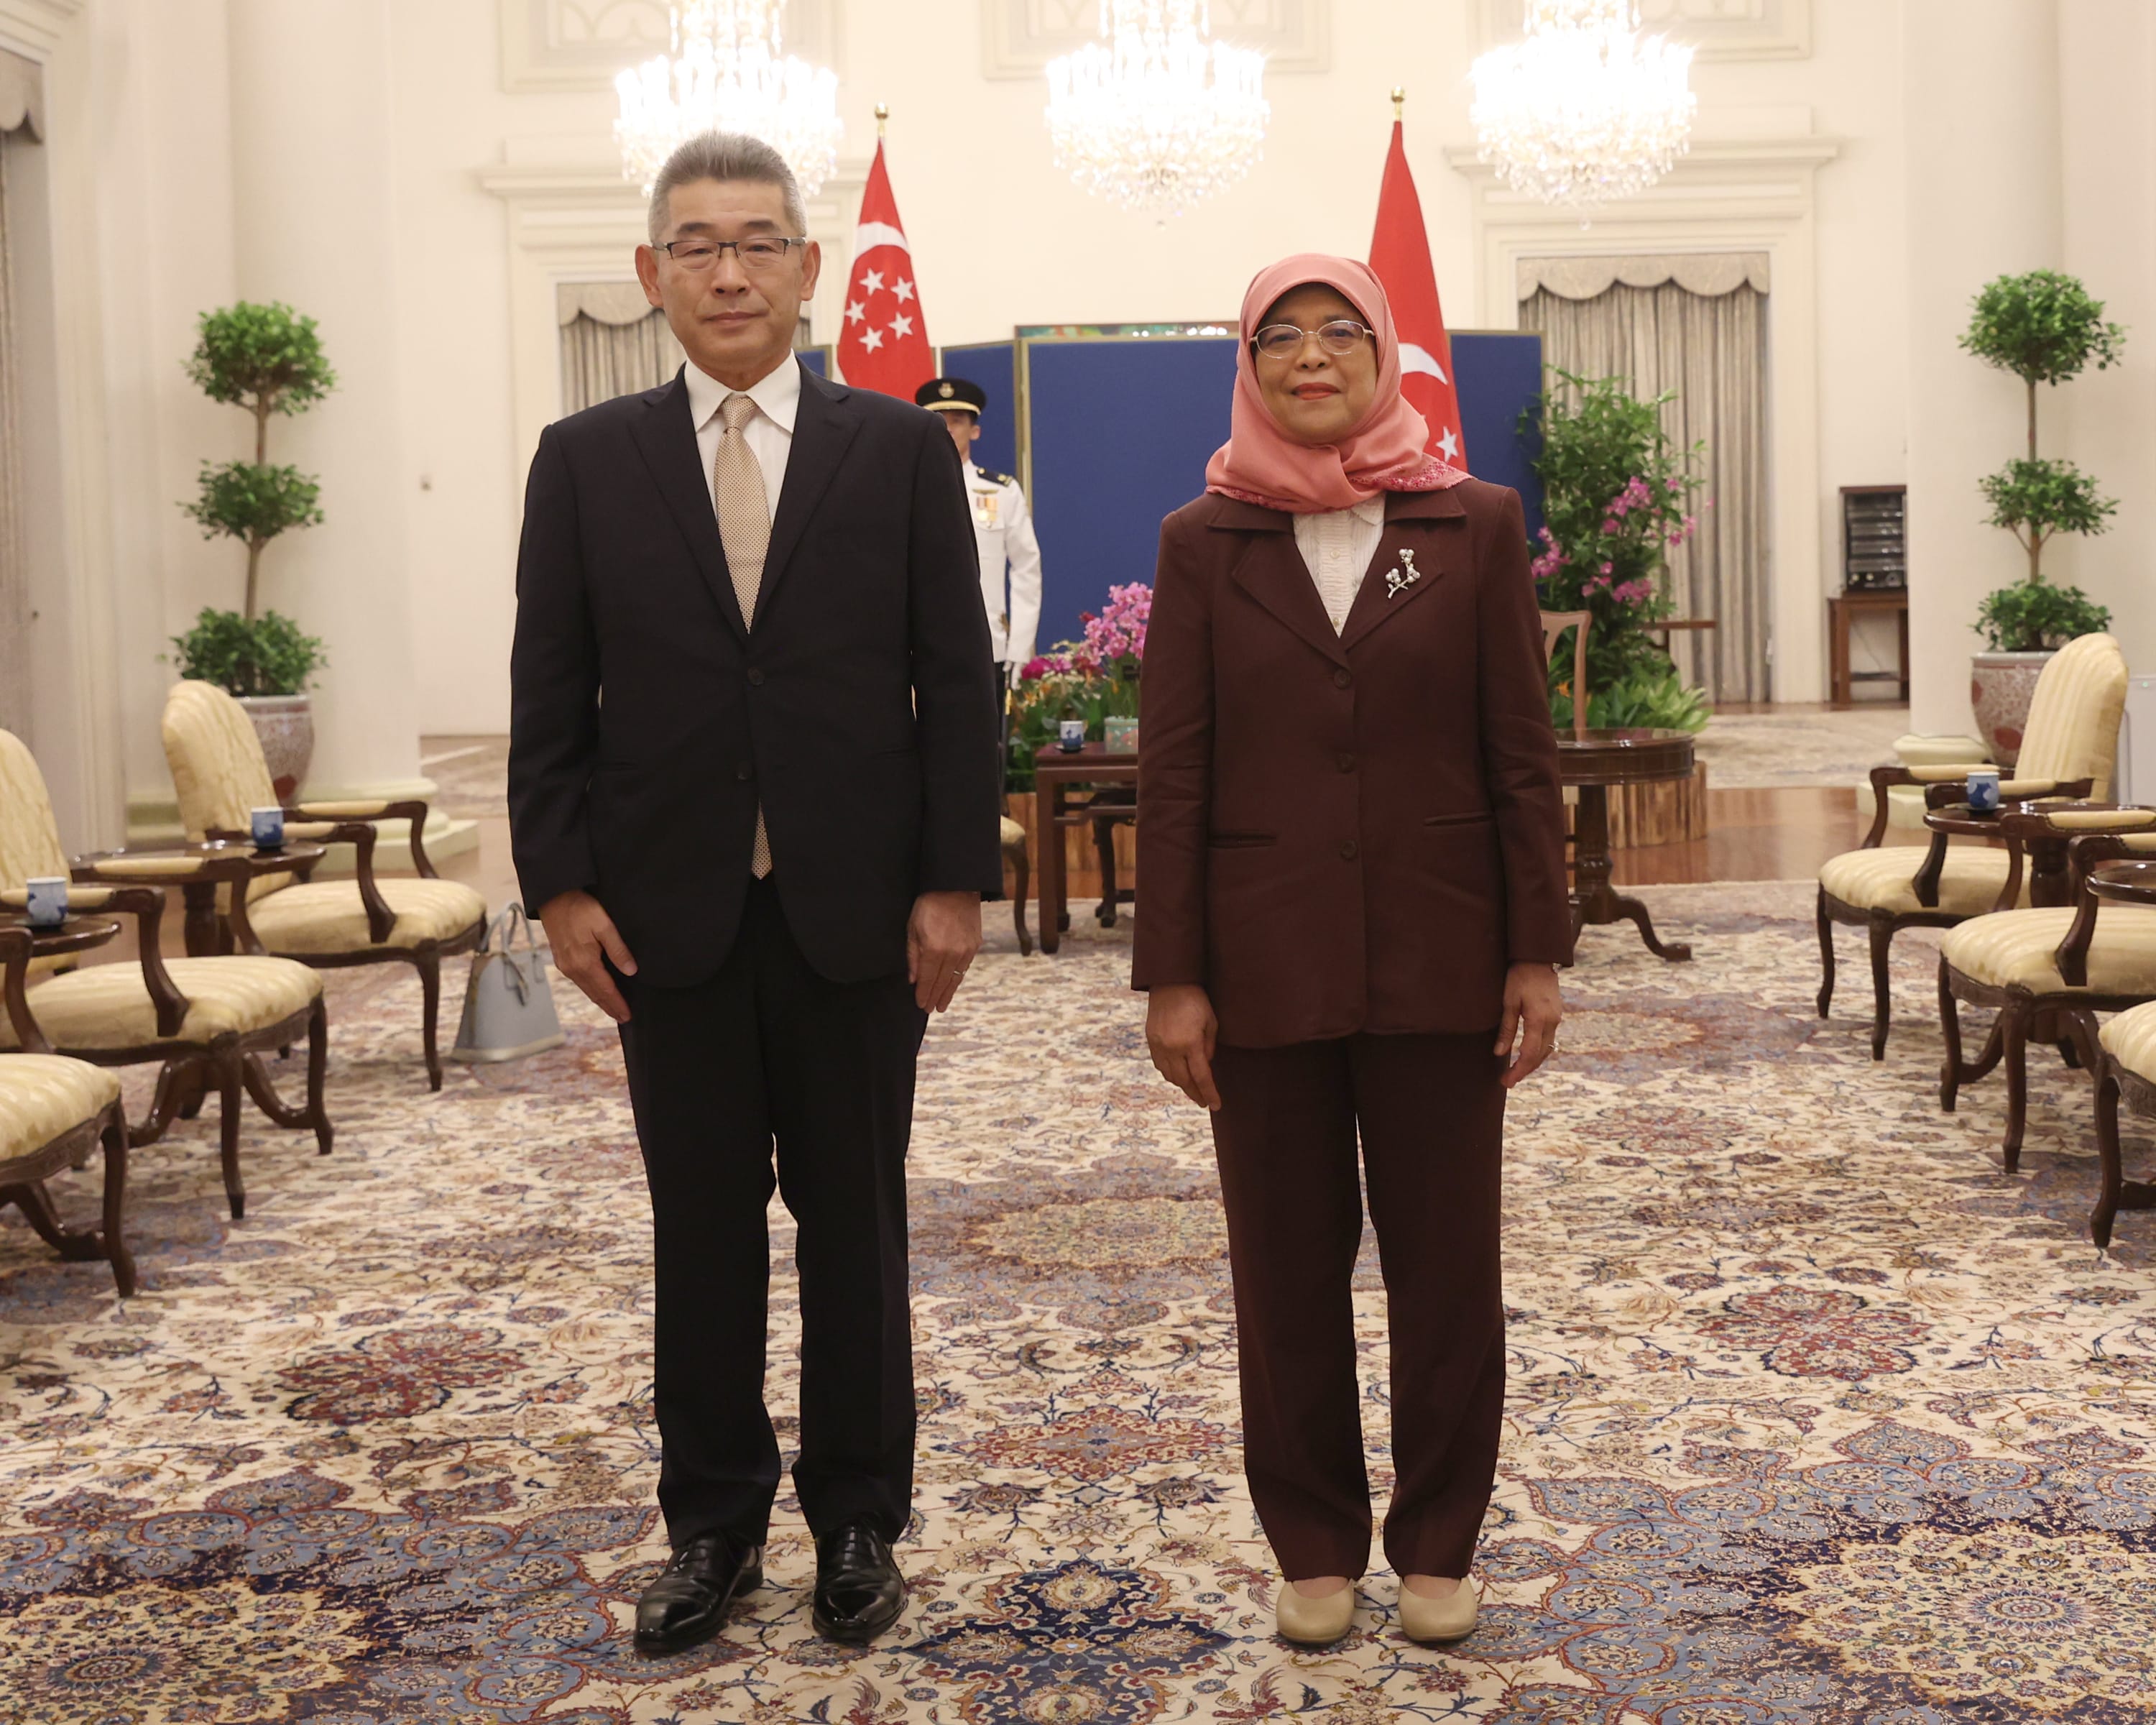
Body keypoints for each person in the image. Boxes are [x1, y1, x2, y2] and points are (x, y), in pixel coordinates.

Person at [507, 130, 1002, 1655]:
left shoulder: (901, 452)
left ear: (809, 269)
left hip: (856, 910)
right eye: (699, 244)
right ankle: (712, 1523)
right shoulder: (585, 462)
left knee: (856, 1226)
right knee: (701, 1229)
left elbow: (954, 683)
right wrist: (559, 882)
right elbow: (550, 691)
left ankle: (859, 1517)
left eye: (761, 241)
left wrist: (954, 882)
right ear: (652, 276)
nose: (731, 268)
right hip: (673, 918)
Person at [1131, 254, 1570, 1648]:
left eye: (1339, 334)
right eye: (1281, 337)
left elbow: (1520, 754)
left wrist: (1537, 949)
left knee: (1448, 1271)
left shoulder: (1474, 521)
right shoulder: (1205, 541)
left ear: (1385, 357)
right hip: (1263, 972)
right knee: (1285, 1271)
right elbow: (1177, 775)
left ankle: (1441, 1540)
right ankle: (1313, 1542)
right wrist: (1174, 975)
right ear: (1247, 367)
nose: (1310, 358)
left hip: (1443, 961)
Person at [915, 375, 1043, 681]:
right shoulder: (905, 488)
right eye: (937, 419)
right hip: (919, 648)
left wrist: (1020, 648)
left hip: (989, 646)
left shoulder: (1001, 491)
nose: (946, 428)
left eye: (957, 421)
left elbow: (1026, 566)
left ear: (975, 430)